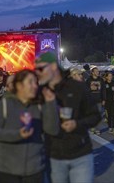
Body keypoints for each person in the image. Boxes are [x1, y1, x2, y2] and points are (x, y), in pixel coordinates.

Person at [35, 52, 101, 183]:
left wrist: (77, 124)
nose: (38, 73)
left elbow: (95, 116)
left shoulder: (77, 87)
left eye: (41, 69)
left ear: (53, 67)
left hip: (80, 153)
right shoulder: (39, 92)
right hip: (54, 155)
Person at [0, 69, 59, 183]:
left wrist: (51, 103)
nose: (35, 86)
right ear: (19, 85)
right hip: (7, 169)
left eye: (36, 82)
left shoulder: (39, 105)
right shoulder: (5, 104)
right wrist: (17, 135)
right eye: (30, 82)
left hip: (34, 168)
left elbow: (52, 130)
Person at [86, 67, 106, 135]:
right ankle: (92, 127)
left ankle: (97, 128)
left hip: (99, 100)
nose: (98, 72)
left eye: (98, 71)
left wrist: (104, 99)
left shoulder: (101, 80)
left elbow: (103, 90)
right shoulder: (89, 80)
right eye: (96, 71)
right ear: (92, 72)